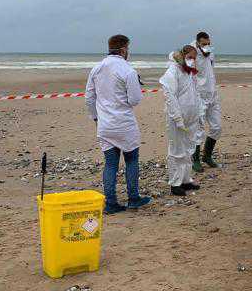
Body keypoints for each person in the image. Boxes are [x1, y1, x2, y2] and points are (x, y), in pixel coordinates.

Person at [85, 34, 152, 214]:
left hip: (105, 124)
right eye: (128, 48)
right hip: (124, 123)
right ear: (123, 49)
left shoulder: (97, 69)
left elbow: (89, 98)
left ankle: (111, 203)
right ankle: (133, 198)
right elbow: (135, 100)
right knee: (131, 159)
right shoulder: (128, 70)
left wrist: (96, 118)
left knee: (110, 164)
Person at [160, 45, 203, 196]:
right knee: (176, 150)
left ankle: (186, 180)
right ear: (183, 56)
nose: (192, 61)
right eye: (190, 57)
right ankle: (175, 183)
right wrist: (177, 118)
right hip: (177, 119)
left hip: (191, 117)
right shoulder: (173, 70)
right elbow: (170, 96)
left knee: (188, 149)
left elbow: (195, 94)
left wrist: (199, 114)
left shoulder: (190, 73)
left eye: (194, 58)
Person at [191, 31, 221, 172]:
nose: (207, 46)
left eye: (209, 44)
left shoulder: (210, 53)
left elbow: (211, 70)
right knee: (199, 129)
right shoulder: (191, 53)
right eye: (204, 44)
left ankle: (207, 156)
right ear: (197, 43)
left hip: (212, 94)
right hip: (199, 96)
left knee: (217, 127)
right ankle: (195, 159)